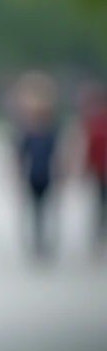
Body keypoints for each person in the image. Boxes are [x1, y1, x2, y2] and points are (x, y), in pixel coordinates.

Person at [13, 71, 61, 262]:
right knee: (35, 209)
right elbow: (20, 156)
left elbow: (57, 155)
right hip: (34, 174)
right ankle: (37, 240)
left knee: (43, 208)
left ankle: (42, 240)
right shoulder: (28, 133)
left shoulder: (50, 131)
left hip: (46, 174)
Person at [79, 81, 107, 256]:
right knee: (100, 204)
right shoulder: (95, 124)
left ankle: (99, 233)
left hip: (100, 171)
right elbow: (91, 149)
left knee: (100, 205)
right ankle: (99, 233)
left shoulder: (95, 124)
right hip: (101, 172)